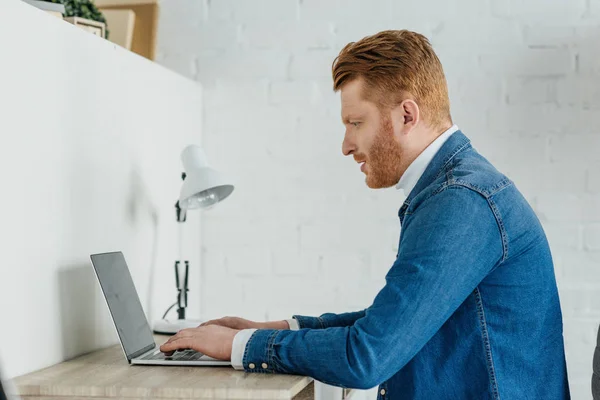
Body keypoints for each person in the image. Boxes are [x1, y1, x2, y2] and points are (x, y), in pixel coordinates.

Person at [160, 30, 570, 399]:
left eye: (356, 122)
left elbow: (367, 356)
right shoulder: (454, 190)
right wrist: (270, 330)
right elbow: (391, 322)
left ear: (407, 115)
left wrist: (240, 347)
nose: (346, 145)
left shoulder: (461, 201)